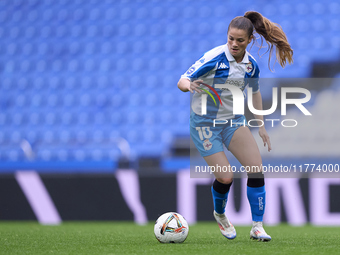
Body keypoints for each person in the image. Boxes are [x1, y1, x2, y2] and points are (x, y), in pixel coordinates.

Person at [177, 11, 293, 241]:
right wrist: (189, 86)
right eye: (231, 38)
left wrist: (260, 125)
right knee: (226, 177)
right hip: (205, 124)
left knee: (256, 169)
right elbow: (182, 79)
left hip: (233, 122)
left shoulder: (251, 66)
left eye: (240, 40)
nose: (234, 44)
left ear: (250, 40)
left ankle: (257, 227)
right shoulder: (215, 57)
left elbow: (256, 91)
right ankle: (220, 215)